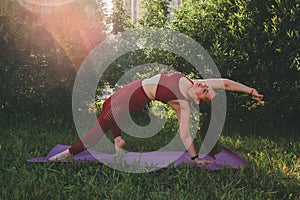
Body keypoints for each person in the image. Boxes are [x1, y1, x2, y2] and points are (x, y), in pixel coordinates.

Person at [48, 72, 264, 164]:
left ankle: (69, 154)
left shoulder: (183, 105)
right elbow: (225, 82)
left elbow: (185, 133)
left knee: (97, 129)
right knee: (106, 104)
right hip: (134, 85)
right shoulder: (193, 81)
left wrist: (195, 159)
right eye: (207, 87)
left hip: (132, 99)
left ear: (199, 101)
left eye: (206, 92)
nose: (205, 86)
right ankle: (118, 142)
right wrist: (251, 90)